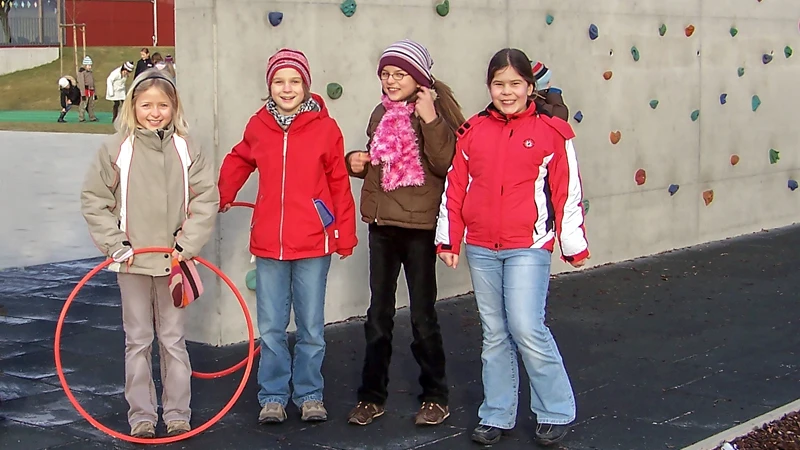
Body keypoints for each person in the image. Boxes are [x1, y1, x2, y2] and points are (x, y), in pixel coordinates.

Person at [435, 48, 590, 447]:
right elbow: (455, 187)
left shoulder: (552, 132)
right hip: (482, 246)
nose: (507, 92)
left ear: (530, 87)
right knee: (495, 334)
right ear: (489, 87)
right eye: (499, 84)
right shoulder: (472, 130)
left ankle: (555, 410)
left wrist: (573, 243)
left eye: (515, 84)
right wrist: (449, 238)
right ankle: (496, 414)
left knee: (526, 326)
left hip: (529, 245)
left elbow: (566, 190)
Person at [217, 48, 357, 425]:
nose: (287, 88)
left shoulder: (326, 129)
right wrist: (223, 193)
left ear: (307, 85)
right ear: (269, 86)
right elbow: (239, 159)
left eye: (294, 81)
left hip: (314, 240)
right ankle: (273, 396)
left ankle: (310, 393)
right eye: (279, 81)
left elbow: (339, 183)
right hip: (269, 243)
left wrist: (344, 233)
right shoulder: (258, 126)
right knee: (272, 327)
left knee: (311, 325)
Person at [80, 69, 219, 439]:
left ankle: (177, 413)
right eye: (146, 105)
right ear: (132, 106)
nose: (154, 112)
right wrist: (115, 244)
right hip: (132, 262)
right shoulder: (116, 149)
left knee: (173, 340)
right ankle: (141, 416)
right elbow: (95, 199)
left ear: (174, 107)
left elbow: (206, 198)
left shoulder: (188, 147)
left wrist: (186, 245)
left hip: (175, 261)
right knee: (138, 339)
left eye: (162, 105)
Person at [344, 39, 466, 427]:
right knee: (378, 315)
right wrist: (357, 163)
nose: (391, 80)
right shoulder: (381, 112)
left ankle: (435, 395)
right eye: (386, 74)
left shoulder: (434, 113)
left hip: (418, 228)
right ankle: (371, 396)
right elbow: (378, 161)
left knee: (421, 315)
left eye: (399, 74)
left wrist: (430, 117)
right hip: (383, 225)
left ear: (419, 78)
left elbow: (445, 162)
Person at [76, 56, 98, 122]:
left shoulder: (90, 72)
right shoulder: (81, 72)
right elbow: (81, 83)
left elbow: (92, 82)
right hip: (85, 91)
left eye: (90, 65)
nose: (90, 67)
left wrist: (95, 93)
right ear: (85, 65)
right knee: (83, 105)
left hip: (91, 90)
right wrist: (83, 94)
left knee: (91, 105)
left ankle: (92, 117)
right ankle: (81, 118)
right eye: (89, 65)